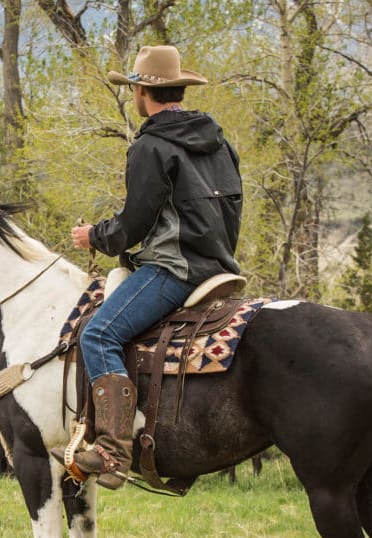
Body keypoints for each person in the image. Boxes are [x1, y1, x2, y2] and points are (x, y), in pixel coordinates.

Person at [53, 45, 243, 490]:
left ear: (142, 92)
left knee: (98, 333)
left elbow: (132, 225)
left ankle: (112, 451)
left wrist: (93, 236)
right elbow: (233, 209)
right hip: (219, 266)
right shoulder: (219, 140)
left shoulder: (152, 146)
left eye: (134, 87)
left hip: (174, 269)